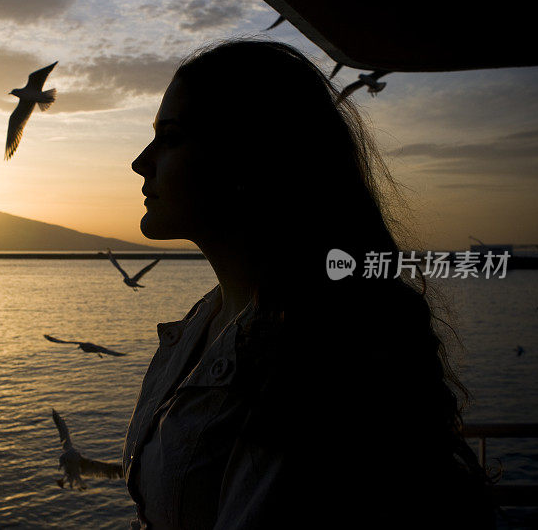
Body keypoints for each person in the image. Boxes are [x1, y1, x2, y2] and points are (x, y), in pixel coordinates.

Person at [123, 39, 495, 529]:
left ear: (246, 155)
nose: (140, 162)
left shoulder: (322, 355)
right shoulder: (202, 323)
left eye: (169, 137)